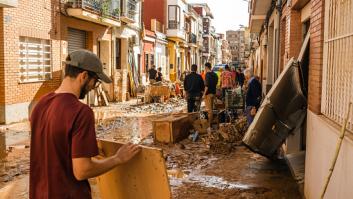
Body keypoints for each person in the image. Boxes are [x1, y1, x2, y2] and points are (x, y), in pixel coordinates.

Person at [29, 50, 141, 199]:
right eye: (95, 82)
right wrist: (117, 158)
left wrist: (86, 150)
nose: (93, 87)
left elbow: (53, 148)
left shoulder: (40, 104)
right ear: (84, 76)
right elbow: (82, 171)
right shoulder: (81, 112)